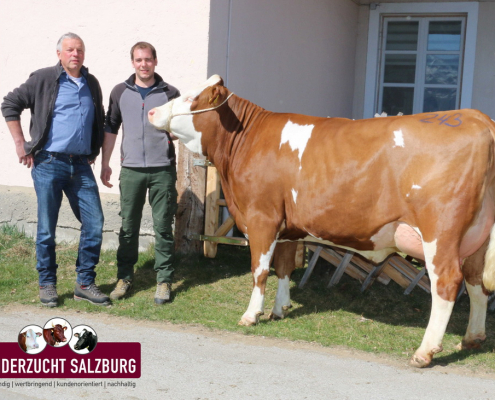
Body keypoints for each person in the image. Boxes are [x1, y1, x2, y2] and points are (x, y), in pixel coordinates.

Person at [1, 32, 110, 307]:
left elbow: (99, 118)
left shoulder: (91, 83)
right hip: (49, 163)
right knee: (47, 229)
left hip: (81, 166)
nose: (76, 54)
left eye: (80, 50)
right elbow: (10, 104)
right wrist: (20, 143)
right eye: (70, 50)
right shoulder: (44, 79)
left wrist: (94, 149)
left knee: (95, 223)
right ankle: (47, 283)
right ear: (59, 54)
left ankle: (84, 283)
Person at [101, 41, 179, 304]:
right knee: (128, 227)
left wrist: (175, 131)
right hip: (131, 169)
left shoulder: (170, 93)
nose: (143, 64)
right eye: (138, 60)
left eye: (148, 59)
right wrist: (105, 163)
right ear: (132, 62)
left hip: (162, 170)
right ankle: (124, 278)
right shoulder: (120, 91)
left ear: (155, 61)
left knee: (163, 228)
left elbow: (178, 130)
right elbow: (110, 127)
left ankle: (164, 281)